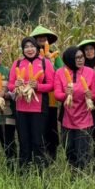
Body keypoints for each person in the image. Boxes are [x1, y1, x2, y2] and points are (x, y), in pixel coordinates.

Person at [8, 37, 55, 169]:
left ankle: (40, 171)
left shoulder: (45, 63)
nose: (29, 49)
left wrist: (38, 87)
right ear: (23, 49)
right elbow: (10, 85)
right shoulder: (17, 63)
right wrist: (15, 85)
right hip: (21, 108)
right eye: (26, 47)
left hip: (39, 109)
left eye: (32, 46)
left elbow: (51, 85)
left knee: (38, 141)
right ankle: (24, 170)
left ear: (37, 48)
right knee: (24, 141)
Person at [54, 47, 95, 169]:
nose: (81, 60)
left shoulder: (90, 72)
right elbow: (57, 95)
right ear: (69, 59)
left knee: (83, 151)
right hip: (67, 117)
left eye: (82, 57)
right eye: (77, 58)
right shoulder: (60, 72)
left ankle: (83, 176)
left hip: (85, 116)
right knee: (69, 149)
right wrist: (66, 94)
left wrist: (92, 95)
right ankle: (72, 174)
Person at [30, 25, 63, 163]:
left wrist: (51, 63)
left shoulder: (56, 56)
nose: (42, 40)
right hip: (34, 101)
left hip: (50, 100)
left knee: (51, 129)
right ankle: (38, 156)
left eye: (45, 38)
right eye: (39, 38)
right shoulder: (31, 56)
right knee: (38, 130)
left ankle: (52, 157)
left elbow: (62, 73)